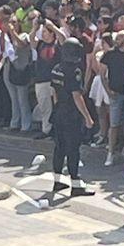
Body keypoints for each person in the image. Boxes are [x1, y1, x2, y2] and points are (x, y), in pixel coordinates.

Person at [47, 41, 96, 199]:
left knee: (59, 148)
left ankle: (57, 181)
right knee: (73, 150)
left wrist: (57, 108)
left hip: (59, 112)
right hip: (71, 114)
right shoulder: (74, 71)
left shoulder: (57, 68)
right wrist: (87, 117)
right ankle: (75, 186)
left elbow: (54, 92)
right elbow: (77, 96)